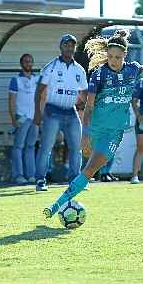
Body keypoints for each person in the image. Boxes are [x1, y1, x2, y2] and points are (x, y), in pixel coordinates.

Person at [42, 29, 143, 218]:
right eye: (110, 56)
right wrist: (85, 133)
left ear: (125, 55)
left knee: (91, 169)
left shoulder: (132, 70)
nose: (114, 60)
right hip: (95, 128)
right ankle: (60, 202)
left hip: (114, 133)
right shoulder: (100, 75)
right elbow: (90, 107)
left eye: (118, 57)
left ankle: (57, 205)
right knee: (86, 162)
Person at [33, 34, 88, 191]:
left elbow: (84, 93)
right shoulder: (50, 67)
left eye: (72, 45)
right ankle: (40, 180)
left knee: (76, 148)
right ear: (61, 47)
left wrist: (92, 107)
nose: (69, 48)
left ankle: (75, 181)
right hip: (52, 111)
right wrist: (38, 113)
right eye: (66, 45)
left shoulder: (79, 70)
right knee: (46, 147)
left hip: (71, 112)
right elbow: (39, 91)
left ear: (75, 48)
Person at [9, 53, 40, 185]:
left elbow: (40, 98)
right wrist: (13, 118)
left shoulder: (37, 79)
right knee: (18, 147)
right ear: (21, 64)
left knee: (31, 146)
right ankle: (19, 175)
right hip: (21, 117)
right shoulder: (16, 80)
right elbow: (11, 100)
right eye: (26, 62)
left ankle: (31, 175)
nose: (28, 64)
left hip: (34, 118)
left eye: (30, 61)